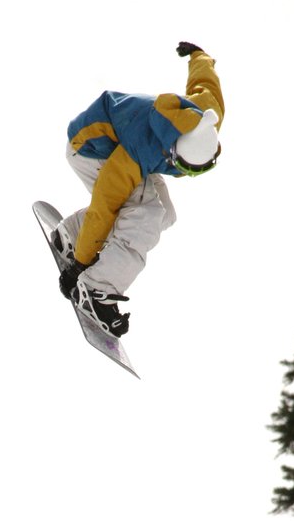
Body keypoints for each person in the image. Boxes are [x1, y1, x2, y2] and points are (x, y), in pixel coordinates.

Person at [53, 41, 225, 337]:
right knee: (144, 218)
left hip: (129, 150)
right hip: (91, 149)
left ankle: (73, 233)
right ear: (172, 148)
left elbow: (205, 83)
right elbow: (105, 205)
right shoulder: (139, 147)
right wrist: (79, 264)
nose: (181, 173)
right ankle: (96, 289)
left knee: (165, 215)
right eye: (179, 164)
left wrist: (199, 55)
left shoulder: (206, 118)